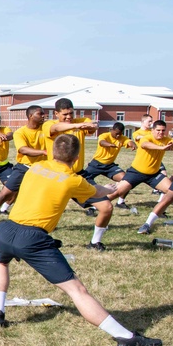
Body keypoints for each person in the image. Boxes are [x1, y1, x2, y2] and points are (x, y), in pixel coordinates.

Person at [0, 133, 161, 346]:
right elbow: (100, 193)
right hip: (32, 238)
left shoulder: (36, 167)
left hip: (5, 229)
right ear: (77, 157)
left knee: (1, 263)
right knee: (77, 290)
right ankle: (125, 338)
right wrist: (113, 189)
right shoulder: (74, 180)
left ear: (52, 151)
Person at [40, 99, 115, 251]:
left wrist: (87, 125)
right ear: (56, 113)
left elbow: (92, 127)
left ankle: (95, 242)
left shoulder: (82, 121)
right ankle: (40, 240)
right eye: (65, 114)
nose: (69, 117)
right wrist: (77, 126)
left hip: (78, 175)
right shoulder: (48, 124)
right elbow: (56, 127)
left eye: (71, 114)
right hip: (56, 176)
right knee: (45, 211)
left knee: (106, 207)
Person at [0, 106, 47, 229]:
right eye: (40, 114)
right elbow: (23, 150)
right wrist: (44, 152)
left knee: (41, 197)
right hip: (23, 167)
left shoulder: (46, 128)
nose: (44, 116)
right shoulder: (21, 132)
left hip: (43, 169)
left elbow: (8, 135)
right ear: (30, 116)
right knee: (4, 194)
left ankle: (41, 223)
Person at [104, 119, 173, 234]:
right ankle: (95, 206)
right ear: (153, 130)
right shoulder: (147, 137)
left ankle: (148, 223)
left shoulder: (166, 139)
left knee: (172, 192)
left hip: (153, 174)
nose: (160, 133)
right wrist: (161, 148)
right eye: (158, 130)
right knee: (117, 192)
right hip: (136, 172)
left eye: (163, 131)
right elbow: (145, 145)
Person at [84, 122, 134, 209]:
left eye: (120, 134)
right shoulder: (105, 135)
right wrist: (110, 144)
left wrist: (133, 145)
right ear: (112, 130)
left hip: (110, 166)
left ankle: (120, 202)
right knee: (83, 180)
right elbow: (102, 142)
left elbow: (128, 141)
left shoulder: (122, 138)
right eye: (116, 133)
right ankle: (87, 200)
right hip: (96, 164)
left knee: (127, 181)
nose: (118, 136)